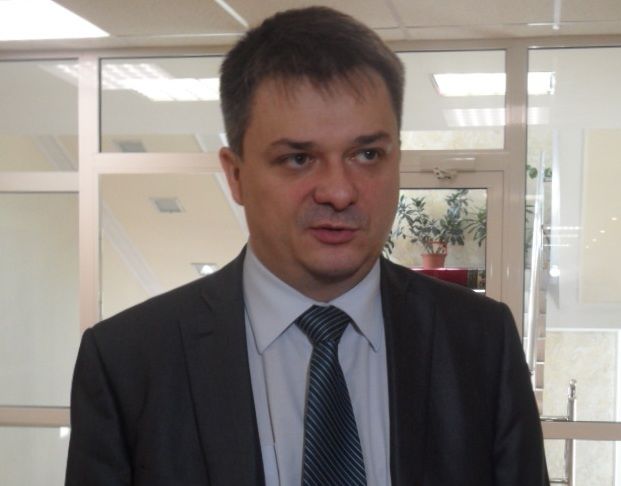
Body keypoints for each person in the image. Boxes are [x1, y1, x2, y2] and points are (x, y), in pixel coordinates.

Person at [65, 6, 549, 486]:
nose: (339, 192)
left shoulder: (480, 342)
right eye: (298, 158)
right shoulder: (129, 362)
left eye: (367, 154)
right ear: (236, 175)